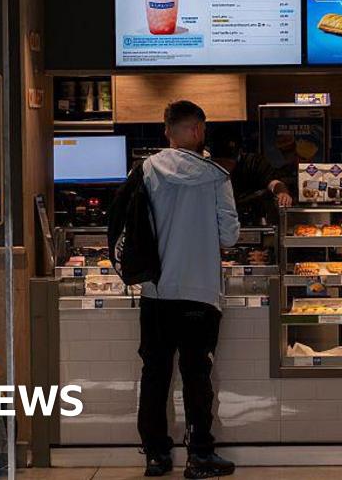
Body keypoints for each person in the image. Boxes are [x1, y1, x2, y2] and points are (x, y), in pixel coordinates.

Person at [136, 100, 239, 479]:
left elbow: (132, 228)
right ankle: (199, 456)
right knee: (196, 375)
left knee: (155, 374)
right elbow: (229, 236)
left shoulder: (145, 170)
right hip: (199, 292)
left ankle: (156, 456)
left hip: (156, 292)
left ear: (169, 130)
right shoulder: (216, 176)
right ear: (197, 131)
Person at [208, 127, 294, 223]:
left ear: (239, 154)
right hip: (216, 220)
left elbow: (274, 183)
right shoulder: (204, 168)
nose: (224, 168)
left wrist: (282, 193)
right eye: (219, 163)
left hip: (253, 220)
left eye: (228, 163)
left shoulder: (254, 163)